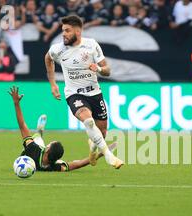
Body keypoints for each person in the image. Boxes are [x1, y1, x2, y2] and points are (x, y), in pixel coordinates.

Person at [45, 15, 123, 170]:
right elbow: (48, 59)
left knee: (102, 132)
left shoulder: (91, 45)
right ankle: (108, 155)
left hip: (94, 93)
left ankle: (93, 150)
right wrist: (53, 84)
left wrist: (99, 69)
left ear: (78, 31)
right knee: (88, 121)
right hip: (74, 94)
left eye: (67, 31)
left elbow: (107, 70)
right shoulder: (57, 49)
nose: (64, 34)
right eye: (63, 30)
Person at [8, 86, 111, 172]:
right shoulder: (55, 167)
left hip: (29, 153)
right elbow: (77, 164)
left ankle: (39, 132)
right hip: (41, 157)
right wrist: (103, 153)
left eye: (50, 144)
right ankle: (39, 132)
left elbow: (22, 125)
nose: (49, 144)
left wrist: (16, 103)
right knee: (38, 141)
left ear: (47, 149)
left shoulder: (33, 150)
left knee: (37, 140)